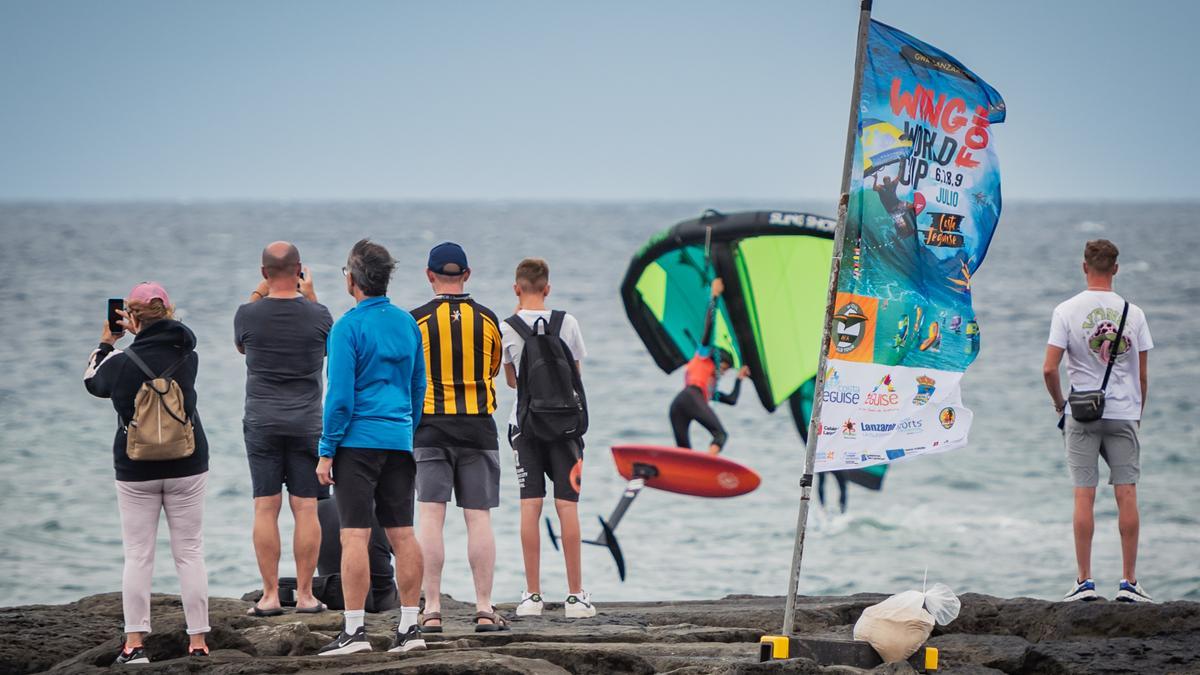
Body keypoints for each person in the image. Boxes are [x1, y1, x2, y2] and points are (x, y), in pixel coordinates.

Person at [84, 282, 211, 663]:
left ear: (132, 318)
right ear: (168, 312)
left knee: (138, 556)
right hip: (188, 463)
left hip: (135, 468)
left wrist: (107, 343)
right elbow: (184, 338)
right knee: (190, 552)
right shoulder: (189, 357)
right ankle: (199, 642)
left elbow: (92, 382)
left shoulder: (120, 363)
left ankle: (135, 644)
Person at [316, 239, 428, 655]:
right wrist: (405, 429)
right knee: (403, 535)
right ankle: (410, 628)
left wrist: (326, 450)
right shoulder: (406, 323)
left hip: (357, 445)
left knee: (355, 537)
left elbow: (339, 396)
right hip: (399, 441)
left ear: (352, 280)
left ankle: (354, 631)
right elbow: (418, 387)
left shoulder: (347, 327)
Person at [1043, 239, 1154, 603]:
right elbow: (1142, 375)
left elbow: (1049, 368)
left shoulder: (1066, 310)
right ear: (1116, 269)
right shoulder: (1134, 314)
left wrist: (1061, 405)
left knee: (1083, 495)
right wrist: (1136, 414)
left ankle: (1084, 582)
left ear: (1084, 266)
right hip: (1123, 413)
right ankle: (1129, 583)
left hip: (1081, 412)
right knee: (1126, 493)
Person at [410, 242, 508, 632]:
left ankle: (431, 608)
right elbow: (496, 367)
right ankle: (484, 607)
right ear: (467, 274)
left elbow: (410, 373)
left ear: (429, 275)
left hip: (431, 425)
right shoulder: (487, 320)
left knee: (431, 517)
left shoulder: (415, 321)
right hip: (477, 426)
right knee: (478, 517)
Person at [234, 241, 332, 616]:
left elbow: (242, 347)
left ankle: (271, 595)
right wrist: (310, 296)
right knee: (306, 508)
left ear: (263, 273)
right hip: (307, 422)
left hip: (262, 420)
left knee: (265, 507)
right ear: (300, 269)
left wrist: (260, 292)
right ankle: (306, 596)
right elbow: (328, 343)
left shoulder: (247, 314)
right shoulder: (318, 314)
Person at [500, 258, 594, 618]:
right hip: (566, 429)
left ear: (516, 288)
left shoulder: (507, 327)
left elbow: (512, 382)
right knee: (567, 506)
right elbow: (576, 376)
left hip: (525, 428)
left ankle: (532, 597)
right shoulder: (567, 322)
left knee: (530, 506)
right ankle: (575, 597)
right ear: (548, 288)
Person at [668, 277, 750, 454]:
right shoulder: (703, 356)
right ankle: (708, 467)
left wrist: (739, 379)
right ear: (718, 360)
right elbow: (708, 328)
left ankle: (689, 476)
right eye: (725, 367)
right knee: (720, 435)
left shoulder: (710, 388)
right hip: (689, 396)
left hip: (679, 405)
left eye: (727, 370)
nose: (724, 372)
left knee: (684, 452)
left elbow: (731, 400)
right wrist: (714, 297)